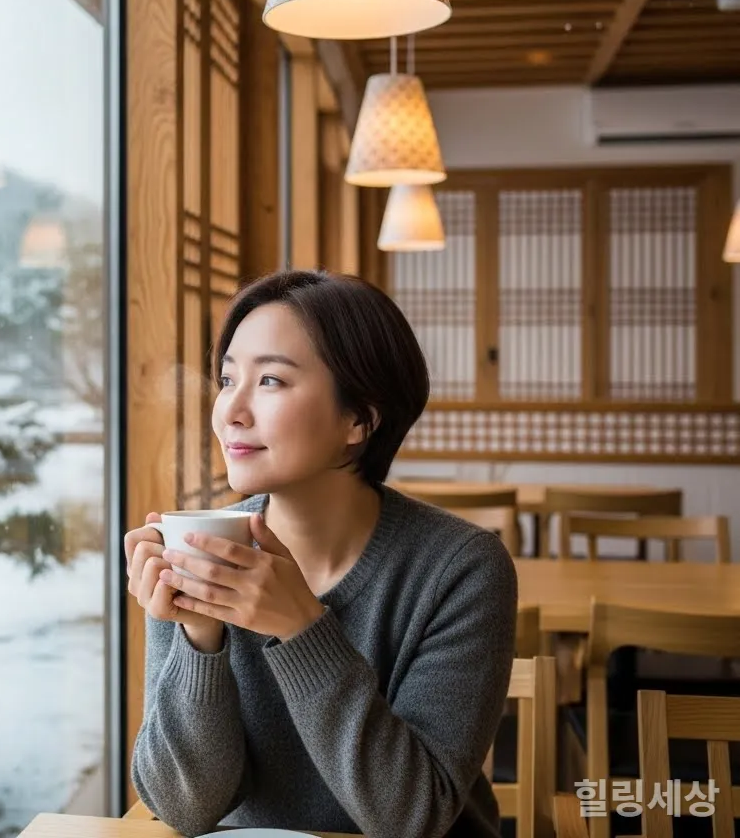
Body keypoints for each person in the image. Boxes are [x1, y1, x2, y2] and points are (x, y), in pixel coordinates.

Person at [125, 270, 518, 838]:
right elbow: (183, 810)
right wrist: (199, 639)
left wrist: (301, 629)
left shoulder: (461, 569)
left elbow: (414, 818)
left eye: (271, 381)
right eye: (228, 378)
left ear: (359, 418)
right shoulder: (199, 546)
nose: (231, 410)